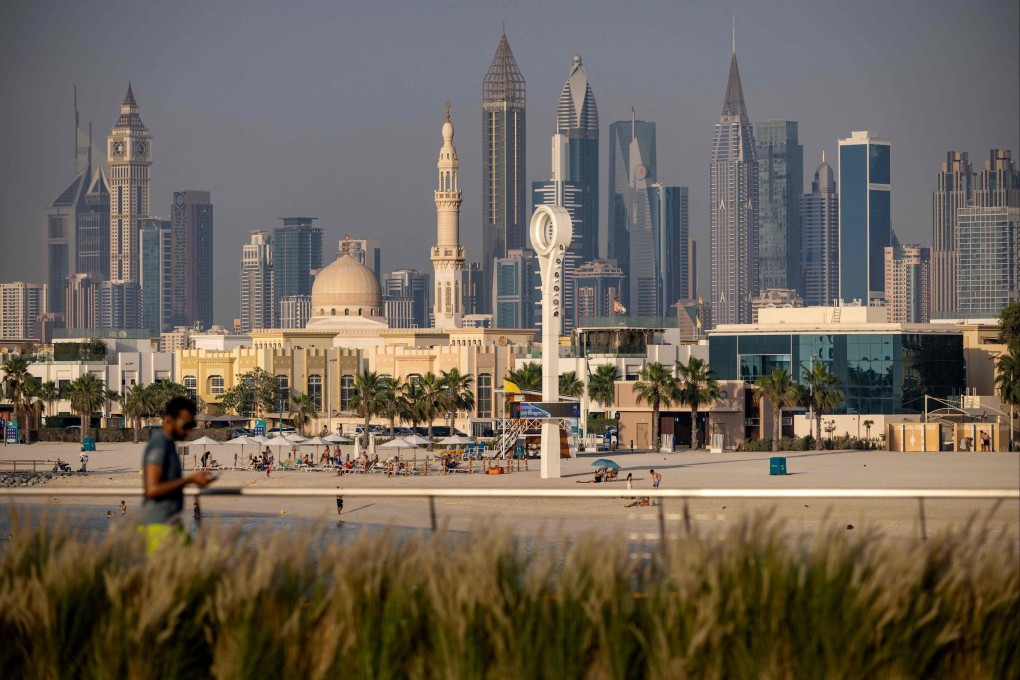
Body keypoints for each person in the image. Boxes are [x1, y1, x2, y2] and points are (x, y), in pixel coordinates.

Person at [139, 397, 215, 554]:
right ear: (169, 419)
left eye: (192, 426)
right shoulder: (159, 444)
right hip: (159, 526)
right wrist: (190, 479)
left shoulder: (168, 444)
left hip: (171, 524)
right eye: (185, 425)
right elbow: (152, 489)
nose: (188, 431)